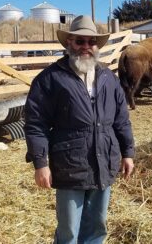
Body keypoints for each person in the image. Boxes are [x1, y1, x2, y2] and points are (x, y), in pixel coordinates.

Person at [24, 15, 135, 244]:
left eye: (91, 42)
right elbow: (36, 124)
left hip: (103, 162)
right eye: (80, 41)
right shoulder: (50, 79)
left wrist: (128, 153)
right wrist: (41, 163)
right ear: (68, 44)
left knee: (97, 227)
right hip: (69, 166)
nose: (86, 47)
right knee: (68, 232)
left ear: (97, 46)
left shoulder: (108, 79)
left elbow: (121, 120)